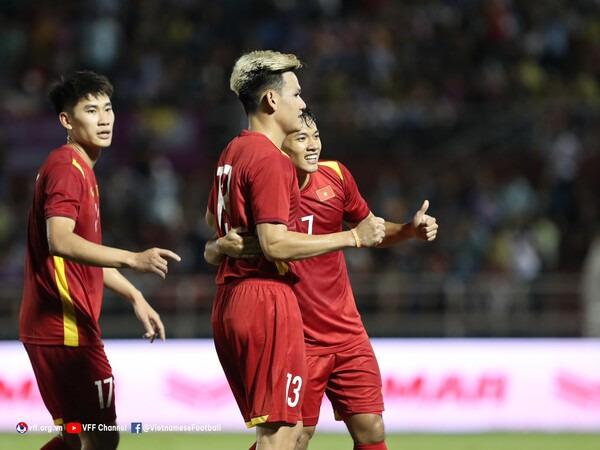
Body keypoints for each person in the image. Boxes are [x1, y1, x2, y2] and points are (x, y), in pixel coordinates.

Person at [206, 109, 438, 450]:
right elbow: (220, 237)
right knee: (294, 438)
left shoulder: (336, 176)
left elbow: (370, 229)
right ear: (280, 146)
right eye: (302, 138)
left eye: (315, 135)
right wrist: (215, 249)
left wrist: (408, 231)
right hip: (297, 336)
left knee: (372, 428)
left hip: (346, 331)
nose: (313, 145)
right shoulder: (264, 186)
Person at [204, 51, 385, 450]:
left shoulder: (232, 151)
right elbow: (275, 243)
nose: (302, 103)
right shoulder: (271, 160)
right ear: (272, 101)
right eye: (296, 94)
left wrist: (218, 246)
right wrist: (351, 237)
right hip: (264, 299)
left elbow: (210, 217)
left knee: (286, 432)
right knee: (283, 436)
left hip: (232, 298)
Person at [19, 70, 181, 450]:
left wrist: (135, 296)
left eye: (108, 109)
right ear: (67, 121)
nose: (104, 118)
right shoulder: (66, 169)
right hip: (64, 326)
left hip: (60, 324)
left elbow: (83, 255)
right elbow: (59, 241)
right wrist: (133, 259)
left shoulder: (81, 170)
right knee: (102, 439)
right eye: (91, 110)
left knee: (77, 439)